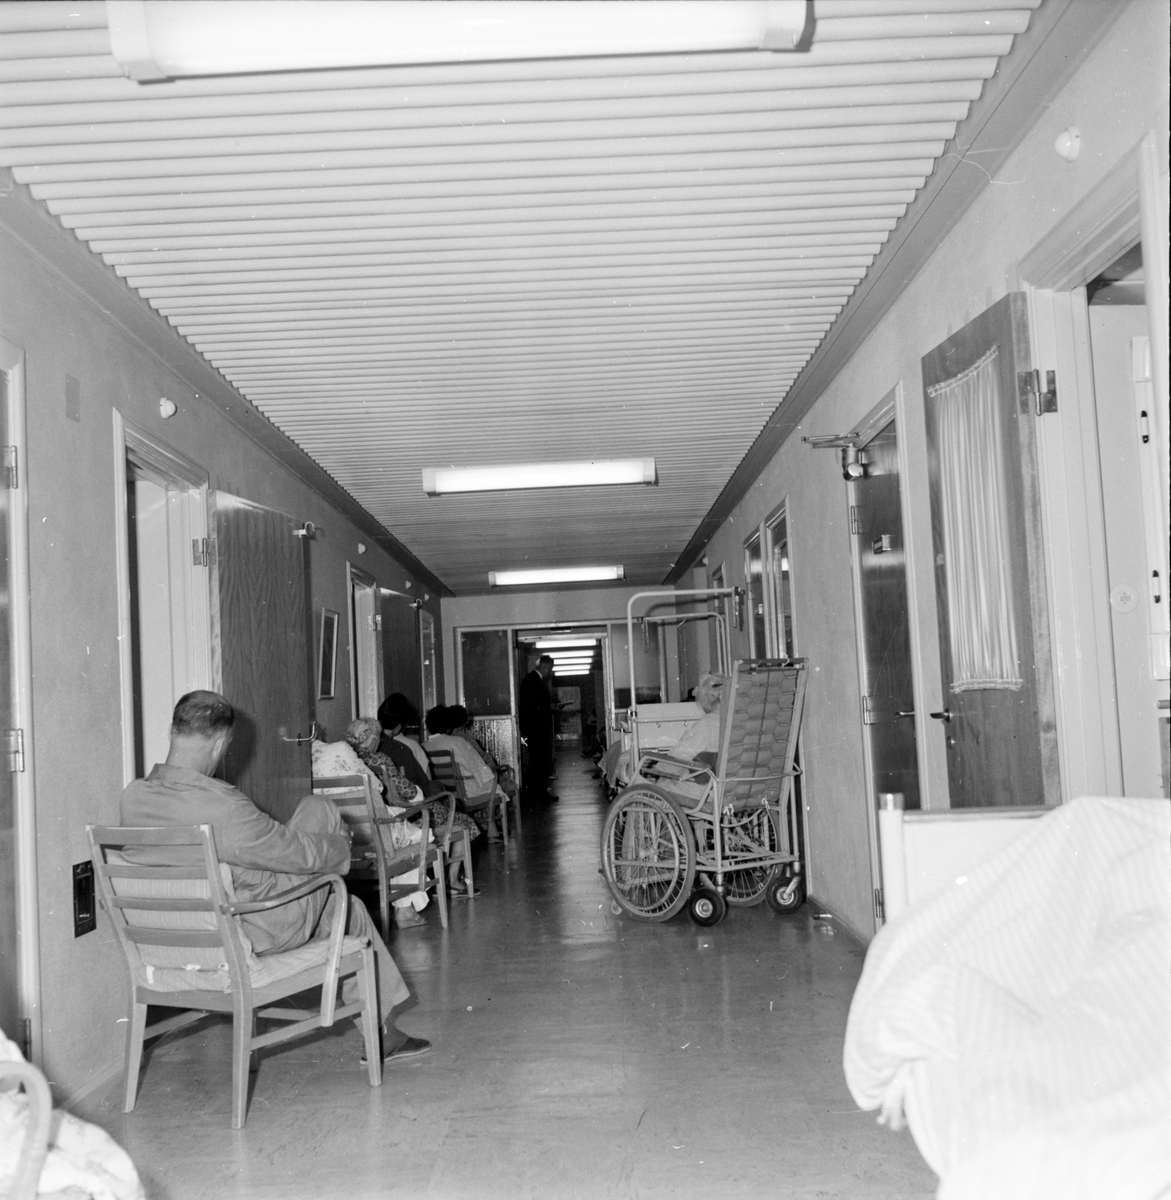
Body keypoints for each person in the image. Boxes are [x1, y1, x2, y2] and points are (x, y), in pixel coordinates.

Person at [120, 690, 431, 1064]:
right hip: (253, 934)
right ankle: (381, 1035)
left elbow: (263, 850)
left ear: (173, 731)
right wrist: (340, 846)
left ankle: (383, 1035)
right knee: (320, 809)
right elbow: (296, 854)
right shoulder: (224, 808)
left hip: (180, 940)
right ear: (220, 743)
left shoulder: (133, 798)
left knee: (347, 910)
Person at [424, 706, 505, 840]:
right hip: (464, 794)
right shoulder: (457, 742)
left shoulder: (424, 746)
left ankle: (483, 826)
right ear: (449, 726)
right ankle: (491, 828)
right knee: (493, 785)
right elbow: (480, 767)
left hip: (442, 794)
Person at [518, 654, 557, 801]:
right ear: (544, 666)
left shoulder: (531, 680)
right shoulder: (533, 681)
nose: (549, 672)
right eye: (549, 669)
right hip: (536, 729)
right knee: (538, 761)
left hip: (534, 729)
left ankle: (536, 793)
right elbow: (534, 706)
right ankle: (537, 794)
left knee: (537, 761)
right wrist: (549, 706)